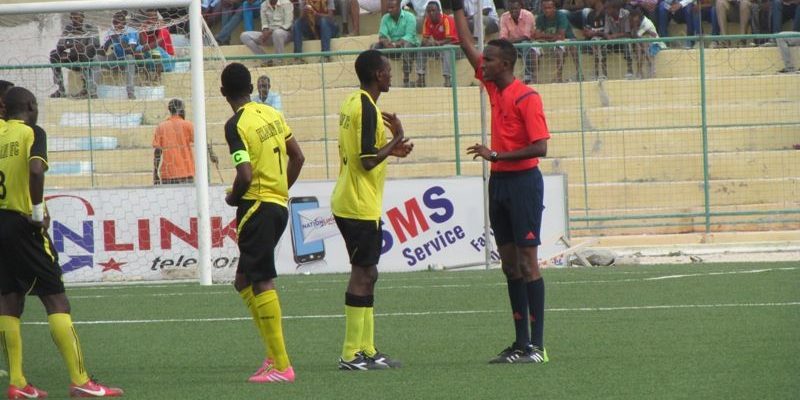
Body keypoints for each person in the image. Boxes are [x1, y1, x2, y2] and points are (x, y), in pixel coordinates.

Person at [0, 86, 124, 398]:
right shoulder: (32, 132)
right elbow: (36, 170)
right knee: (56, 298)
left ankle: (17, 383)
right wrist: (38, 213)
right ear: (30, 106)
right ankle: (81, 381)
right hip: (22, 223)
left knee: (9, 300)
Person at [453, 0, 552, 364]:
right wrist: (455, 9)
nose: (484, 64)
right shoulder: (495, 90)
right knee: (509, 265)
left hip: (523, 183)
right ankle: (520, 343)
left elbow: (540, 146)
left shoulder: (527, 97)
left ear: (506, 65)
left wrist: (496, 155)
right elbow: (466, 45)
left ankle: (537, 347)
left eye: (490, 60)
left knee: (528, 263)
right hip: (499, 185)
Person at [221, 62, 305, 383]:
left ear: (223, 92)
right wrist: (280, 190)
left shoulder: (235, 124)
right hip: (277, 205)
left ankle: (282, 366)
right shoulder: (272, 114)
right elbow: (298, 156)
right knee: (243, 280)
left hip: (256, 206)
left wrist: (233, 198)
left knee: (261, 281)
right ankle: (273, 356)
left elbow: (244, 175)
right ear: (252, 87)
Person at [333, 49, 413, 371]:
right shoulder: (366, 107)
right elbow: (366, 160)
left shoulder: (354, 103)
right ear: (378, 75)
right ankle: (351, 354)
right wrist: (398, 139)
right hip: (357, 203)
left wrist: (392, 151)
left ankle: (367, 349)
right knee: (362, 274)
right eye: (388, 70)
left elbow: (361, 151)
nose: (391, 75)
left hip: (356, 200)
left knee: (370, 273)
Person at [152, 99, 219, 185]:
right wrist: (211, 154)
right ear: (180, 109)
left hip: (168, 173)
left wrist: (155, 172)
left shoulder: (161, 127)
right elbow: (202, 141)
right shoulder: (188, 125)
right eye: (184, 108)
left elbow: (157, 152)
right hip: (186, 172)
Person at [49, 11, 101, 99]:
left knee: (82, 53)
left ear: (82, 17)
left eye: (76, 18)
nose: (74, 20)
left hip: (87, 59)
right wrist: (71, 45)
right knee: (54, 54)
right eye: (72, 18)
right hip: (72, 58)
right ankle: (60, 89)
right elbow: (59, 45)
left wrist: (83, 47)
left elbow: (95, 45)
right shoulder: (69, 28)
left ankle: (86, 89)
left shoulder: (91, 27)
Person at [371, 0, 420, 87]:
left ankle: (406, 79)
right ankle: (376, 78)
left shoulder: (410, 17)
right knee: (375, 47)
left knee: (407, 46)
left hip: (411, 47)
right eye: (388, 8)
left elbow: (409, 36)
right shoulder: (385, 18)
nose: (389, 10)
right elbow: (382, 36)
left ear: (398, 7)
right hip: (394, 47)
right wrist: (386, 43)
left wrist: (395, 44)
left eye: (392, 8)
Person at [532, 0, 579, 83]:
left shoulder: (561, 16)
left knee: (559, 45)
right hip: (550, 41)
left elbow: (561, 36)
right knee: (534, 46)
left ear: (554, 8)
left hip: (568, 39)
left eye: (549, 8)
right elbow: (536, 36)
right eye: (545, 8)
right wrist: (553, 37)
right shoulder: (540, 18)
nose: (547, 10)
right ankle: (535, 78)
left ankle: (560, 77)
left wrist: (543, 35)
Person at [418, 1, 460, 87]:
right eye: (428, 11)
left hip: (456, 49)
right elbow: (425, 38)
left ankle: (447, 79)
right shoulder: (427, 21)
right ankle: (421, 77)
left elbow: (450, 39)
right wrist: (427, 43)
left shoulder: (446, 20)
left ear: (439, 11)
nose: (431, 13)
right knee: (421, 47)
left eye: (433, 11)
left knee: (447, 48)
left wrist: (437, 43)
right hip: (439, 47)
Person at [239, 0, 294, 65]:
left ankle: (279, 62)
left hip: (285, 34)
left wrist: (270, 32)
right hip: (269, 34)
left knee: (277, 33)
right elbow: (264, 24)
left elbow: (287, 24)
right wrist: (265, 33)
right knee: (244, 36)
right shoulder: (264, 5)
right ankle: (266, 60)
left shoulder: (286, 3)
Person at [101, 11, 139, 100]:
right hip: (114, 58)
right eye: (115, 22)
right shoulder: (110, 32)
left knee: (130, 58)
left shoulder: (131, 31)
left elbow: (131, 50)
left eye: (119, 22)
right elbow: (103, 51)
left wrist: (119, 39)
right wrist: (107, 43)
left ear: (124, 23)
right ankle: (92, 92)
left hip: (127, 59)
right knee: (96, 58)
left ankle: (130, 92)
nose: (116, 25)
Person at [499, 0, 536, 84]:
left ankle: (528, 76)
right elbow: (503, 37)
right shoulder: (504, 17)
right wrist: (508, 41)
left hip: (527, 44)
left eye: (516, 8)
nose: (513, 11)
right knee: (501, 48)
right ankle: (504, 77)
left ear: (520, 8)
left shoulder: (528, 15)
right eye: (511, 9)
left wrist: (510, 41)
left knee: (525, 44)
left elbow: (526, 36)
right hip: (512, 45)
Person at [137, 9, 176, 79]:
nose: (152, 20)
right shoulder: (146, 29)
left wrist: (142, 49)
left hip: (167, 62)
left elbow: (156, 44)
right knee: (137, 49)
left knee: (154, 49)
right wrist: (141, 31)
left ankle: (157, 76)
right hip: (154, 61)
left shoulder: (163, 29)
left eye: (154, 17)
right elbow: (143, 44)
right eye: (150, 18)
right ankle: (147, 76)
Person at [630, 6, 666, 78]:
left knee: (640, 47)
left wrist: (634, 25)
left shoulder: (647, 23)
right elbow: (635, 37)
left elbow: (636, 36)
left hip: (655, 44)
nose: (631, 19)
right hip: (645, 44)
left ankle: (641, 71)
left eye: (632, 17)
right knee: (639, 47)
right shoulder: (640, 22)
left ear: (637, 17)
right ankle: (640, 71)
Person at [604, 0, 634, 79]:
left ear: (614, 8)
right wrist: (608, 37)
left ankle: (630, 70)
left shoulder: (626, 14)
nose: (606, 11)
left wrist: (615, 35)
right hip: (614, 39)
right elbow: (606, 32)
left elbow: (628, 33)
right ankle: (604, 73)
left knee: (627, 43)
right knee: (602, 45)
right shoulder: (607, 15)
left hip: (625, 38)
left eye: (608, 9)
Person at [583, 0, 608, 79]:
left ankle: (604, 73)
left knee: (601, 47)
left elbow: (608, 31)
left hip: (605, 38)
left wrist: (594, 33)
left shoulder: (606, 12)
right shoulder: (590, 14)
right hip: (594, 39)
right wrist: (587, 32)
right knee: (595, 44)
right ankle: (596, 74)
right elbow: (586, 30)